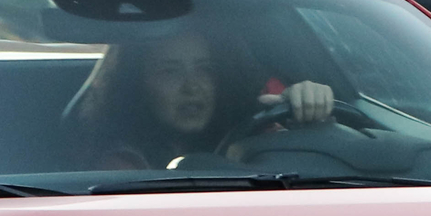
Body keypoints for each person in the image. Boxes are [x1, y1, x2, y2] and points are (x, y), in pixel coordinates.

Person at [68, 26, 334, 171]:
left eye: (204, 69)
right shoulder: (122, 165)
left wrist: (309, 109)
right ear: (136, 85)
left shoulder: (255, 129)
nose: (192, 86)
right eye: (170, 72)